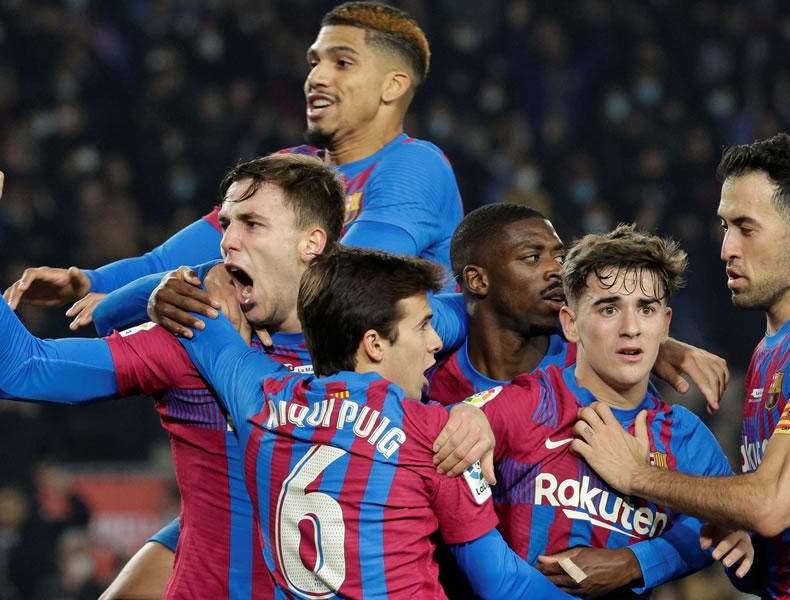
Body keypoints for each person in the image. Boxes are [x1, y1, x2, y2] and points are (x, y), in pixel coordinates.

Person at [0, 156, 479, 599]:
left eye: (252, 224)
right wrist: (157, 291)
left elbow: (492, 311)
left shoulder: (384, 330)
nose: (228, 239)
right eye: (226, 224)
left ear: (313, 242)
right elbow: (24, 369)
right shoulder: (195, 334)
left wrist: (480, 418)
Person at [3, 1, 463, 326]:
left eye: (342, 63)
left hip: (408, 422)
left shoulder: (415, 165)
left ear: (393, 86)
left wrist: (134, 298)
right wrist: (87, 282)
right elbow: (170, 258)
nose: (316, 78)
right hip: (305, 395)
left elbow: (344, 284)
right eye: (314, 62)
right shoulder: (291, 166)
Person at [176, 244, 571, 598]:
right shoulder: (435, 434)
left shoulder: (261, 397)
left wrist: (173, 285)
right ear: (375, 344)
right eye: (423, 326)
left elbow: (198, 316)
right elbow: (504, 583)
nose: (436, 342)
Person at [438, 224, 754, 597]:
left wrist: (634, 563)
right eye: (608, 309)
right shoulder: (528, 403)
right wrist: (511, 587)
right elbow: (445, 465)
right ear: (570, 323)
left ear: (665, 323)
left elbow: (724, 529)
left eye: (646, 309)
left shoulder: (687, 437)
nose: (631, 328)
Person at [570, 133, 790, 598]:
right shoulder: (771, 350)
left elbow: (769, 504)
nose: (726, 249)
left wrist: (639, 474)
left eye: (746, 227)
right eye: (724, 227)